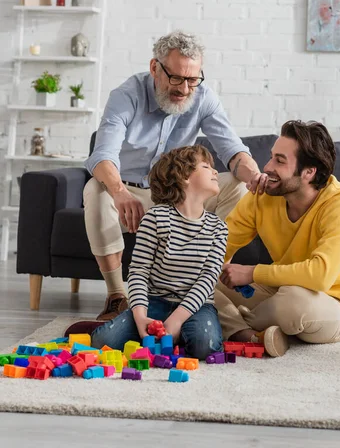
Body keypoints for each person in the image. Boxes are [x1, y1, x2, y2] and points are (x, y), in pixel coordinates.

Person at [84, 30, 266, 321]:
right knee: (95, 189)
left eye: (192, 80)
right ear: (155, 68)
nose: (184, 88)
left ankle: (211, 282)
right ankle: (118, 296)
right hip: (131, 191)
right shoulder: (126, 96)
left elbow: (232, 150)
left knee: (239, 187)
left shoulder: (203, 98)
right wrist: (119, 192)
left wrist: (254, 174)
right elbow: (102, 154)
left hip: (179, 196)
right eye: (177, 78)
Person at [215, 120, 340, 358]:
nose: (266, 167)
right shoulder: (265, 195)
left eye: (280, 161)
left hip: (331, 304)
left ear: (309, 172)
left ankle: (225, 323)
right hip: (276, 290)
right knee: (200, 282)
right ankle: (250, 334)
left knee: (295, 303)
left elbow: (319, 276)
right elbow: (221, 243)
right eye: (272, 157)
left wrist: (252, 273)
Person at [71, 144, 227, 360]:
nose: (215, 171)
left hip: (195, 306)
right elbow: (139, 272)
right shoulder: (155, 218)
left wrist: (177, 320)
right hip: (154, 301)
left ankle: (173, 334)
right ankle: (134, 328)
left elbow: (209, 279)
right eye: (206, 166)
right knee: (103, 342)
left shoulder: (219, 227)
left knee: (206, 347)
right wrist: (140, 316)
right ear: (184, 177)